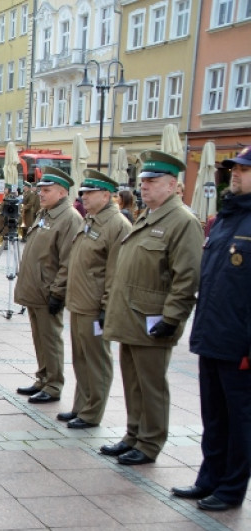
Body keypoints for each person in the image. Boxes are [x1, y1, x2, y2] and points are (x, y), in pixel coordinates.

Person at [101, 150, 202, 465]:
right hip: (131, 316)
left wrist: (172, 318)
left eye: (152, 181)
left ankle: (149, 442)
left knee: (151, 386)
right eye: (143, 180)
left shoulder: (182, 221)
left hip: (153, 319)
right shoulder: (148, 215)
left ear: (172, 185)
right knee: (133, 382)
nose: (143, 186)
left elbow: (187, 276)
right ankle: (133, 435)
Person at [175, 146, 251, 511]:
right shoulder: (225, 218)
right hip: (213, 335)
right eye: (234, 168)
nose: (235, 173)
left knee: (240, 422)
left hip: (240, 345)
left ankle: (231, 489)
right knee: (214, 417)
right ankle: (209, 478)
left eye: (244, 170)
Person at [59, 170, 131, 429]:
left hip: (95, 305)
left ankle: (93, 412)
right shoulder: (91, 219)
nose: (84, 197)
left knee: (96, 361)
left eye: (89, 193)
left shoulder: (117, 224)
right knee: (81, 359)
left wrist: (107, 307)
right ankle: (81, 405)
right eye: (83, 193)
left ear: (106, 194)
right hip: (79, 302)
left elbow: (116, 271)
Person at [15, 167, 84, 405]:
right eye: (40, 190)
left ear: (63, 192)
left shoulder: (69, 218)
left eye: (47, 190)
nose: (41, 194)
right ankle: (43, 377)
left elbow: (68, 260)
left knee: (50, 339)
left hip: (49, 290)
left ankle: (54, 384)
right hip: (37, 289)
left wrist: (58, 292)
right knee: (40, 337)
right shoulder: (46, 213)